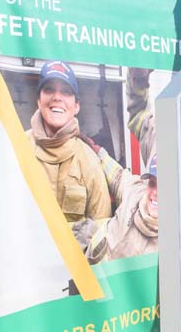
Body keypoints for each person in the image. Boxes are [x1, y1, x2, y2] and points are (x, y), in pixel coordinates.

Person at [26, 61, 109, 223]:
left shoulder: (90, 163)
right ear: (39, 100)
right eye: (49, 89)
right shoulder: (16, 149)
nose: (57, 97)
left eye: (65, 91)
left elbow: (102, 233)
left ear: (76, 106)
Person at [74, 153, 158, 264]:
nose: (155, 192)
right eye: (152, 183)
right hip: (86, 263)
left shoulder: (173, 244)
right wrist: (99, 152)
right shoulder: (135, 193)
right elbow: (118, 177)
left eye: (164, 186)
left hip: (106, 280)